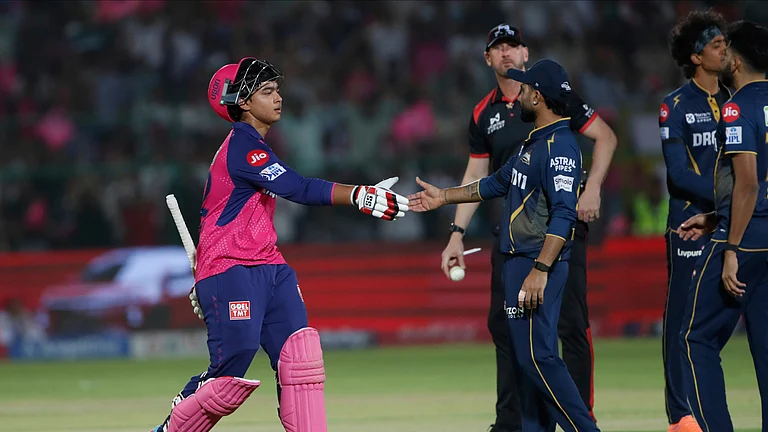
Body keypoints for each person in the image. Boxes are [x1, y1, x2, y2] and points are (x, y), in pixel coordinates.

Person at [150, 58, 409, 432]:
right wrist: (359, 195)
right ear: (242, 102)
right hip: (231, 267)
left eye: (277, 90)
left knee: (301, 358)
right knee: (227, 375)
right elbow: (297, 188)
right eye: (267, 92)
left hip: (269, 266)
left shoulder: (253, 145)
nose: (279, 98)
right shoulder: (241, 146)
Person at [441, 24, 617, 431]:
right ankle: (516, 422)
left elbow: (604, 138)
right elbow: (486, 177)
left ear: (525, 55)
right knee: (514, 337)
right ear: (488, 58)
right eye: (497, 48)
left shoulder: (555, 106)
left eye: (512, 46)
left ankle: (580, 418)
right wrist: (454, 226)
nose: (505, 54)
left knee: (566, 330)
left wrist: (590, 190)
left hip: (553, 239)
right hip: (514, 242)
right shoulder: (488, 115)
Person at [677, 20, 768, 432]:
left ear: (735, 57)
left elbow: (748, 182)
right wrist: (715, 215)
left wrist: (729, 246)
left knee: (696, 339)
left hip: (746, 240)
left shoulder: (737, 106)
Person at [659, 10, 730, 432]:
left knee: (721, 318)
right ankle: (679, 414)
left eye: (725, 42)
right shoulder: (675, 106)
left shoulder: (736, 100)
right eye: (716, 43)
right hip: (688, 225)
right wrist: (731, 197)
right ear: (696, 55)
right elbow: (679, 175)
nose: (725, 49)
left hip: (731, 223)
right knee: (681, 319)